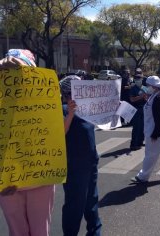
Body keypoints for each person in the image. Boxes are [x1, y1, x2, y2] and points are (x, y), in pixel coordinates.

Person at [0, 49, 54, 236]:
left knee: (39, 231)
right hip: (6, 180)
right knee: (17, 231)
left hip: (40, 178)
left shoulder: (46, 98)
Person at [60, 75, 102, 236]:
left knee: (91, 201)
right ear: (67, 94)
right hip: (74, 166)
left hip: (91, 161)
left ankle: (95, 231)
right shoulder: (62, 109)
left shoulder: (87, 108)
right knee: (74, 205)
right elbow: (60, 133)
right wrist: (70, 113)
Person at [129, 73, 148, 150]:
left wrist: (145, 98)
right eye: (136, 79)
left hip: (144, 109)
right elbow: (132, 99)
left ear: (142, 79)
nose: (138, 80)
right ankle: (133, 144)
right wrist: (141, 96)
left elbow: (147, 99)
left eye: (139, 78)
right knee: (136, 127)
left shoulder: (145, 88)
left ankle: (140, 141)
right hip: (136, 109)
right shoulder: (133, 88)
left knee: (143, 127)